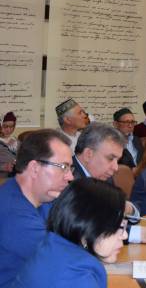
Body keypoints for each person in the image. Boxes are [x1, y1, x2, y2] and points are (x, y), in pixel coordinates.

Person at [11, 178, 128, 287]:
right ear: (88, 227)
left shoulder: (53, 247)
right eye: (119, 226)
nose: (125, 235)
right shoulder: (76, 277)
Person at [0, 129, 73, 285]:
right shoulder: (13, 213)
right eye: (63, 167)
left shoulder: (43, 199)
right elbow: (67, 261)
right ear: (35, 168)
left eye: (70, 168)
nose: (70, 176)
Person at [73, 123, 146, 244]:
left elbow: (122, 208)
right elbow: (87, 228)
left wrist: (129, 209)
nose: (116, 167)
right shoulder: (67, 179)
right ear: (88, 154)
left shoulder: (103, 175)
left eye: (117, 160)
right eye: (110, 158)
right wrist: (137, 234)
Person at [0, 112, 18, 176]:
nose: (8, 130)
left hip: (16, 176)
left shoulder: (16, 141)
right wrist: (4, 167)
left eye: (11, 126)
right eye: (5, 126)